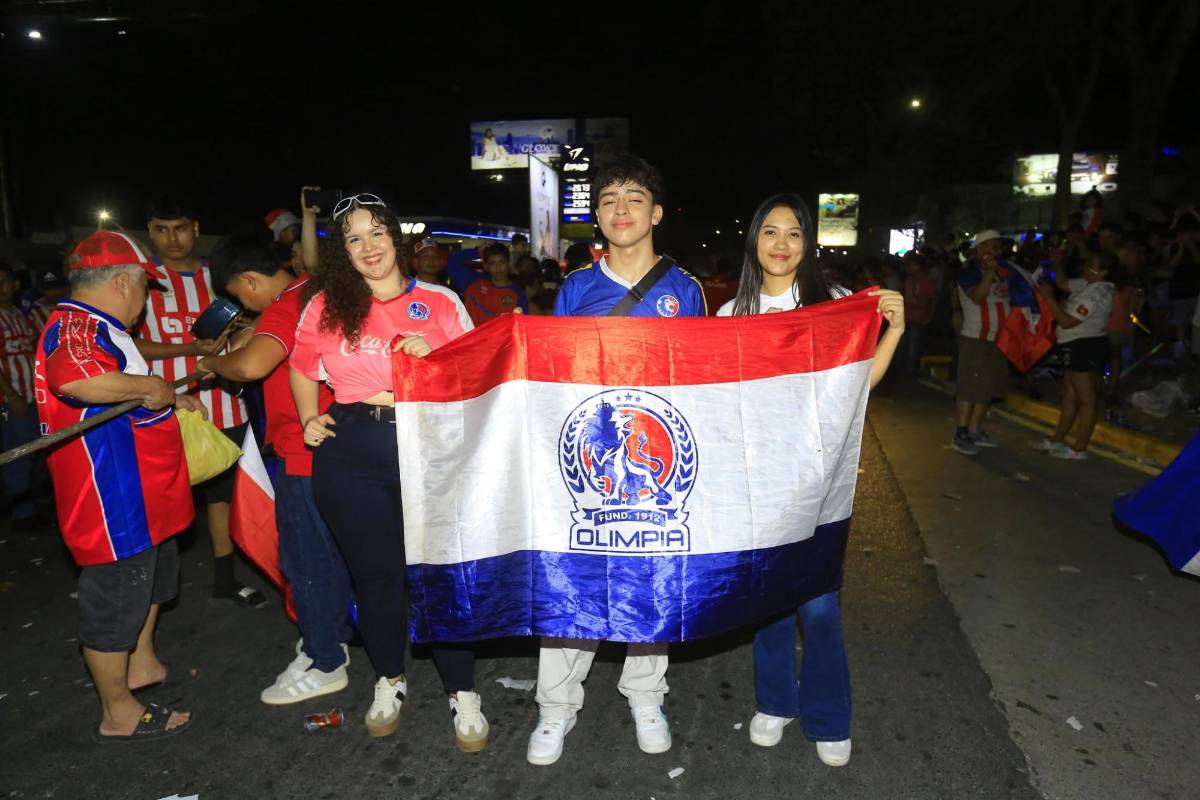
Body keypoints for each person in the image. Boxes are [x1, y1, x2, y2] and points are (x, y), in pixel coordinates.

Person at [288, 193, 488, 750]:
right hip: (352, 447)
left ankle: (462, 690)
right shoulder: (327, 305)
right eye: (353, 239)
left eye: (377, 233)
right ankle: (389, 679)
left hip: (428, 443)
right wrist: (309, 417)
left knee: (440, 572)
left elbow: (479, 377)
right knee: (375, 577)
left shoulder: (443, 301)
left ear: (397, 238)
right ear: (342, 252)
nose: (368, 248)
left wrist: (440, 359)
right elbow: (303, 367)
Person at [528, 154, 706, 767]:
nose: (621, 209)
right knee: (571, 579)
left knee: (650, 579)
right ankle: (555, 707)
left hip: (654, 462)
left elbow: (702, 385)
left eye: (634, 198)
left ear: (656, 212)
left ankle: (646, 695)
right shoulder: (576, 288)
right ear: (597, 218)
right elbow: (549, 378)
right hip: (586, 459)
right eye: (608, 201)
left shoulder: (685, 290)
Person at [718, 192, 904, 768]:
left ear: (808, 243)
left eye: (793, 233)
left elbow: (861, 382)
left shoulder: (834, 305)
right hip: (758, 483)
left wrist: (892, 328)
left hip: (819, 482)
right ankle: (775, 703)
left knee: (819, 606)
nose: (780, 244)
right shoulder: (731, 317)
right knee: (771, 599)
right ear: (754, 240)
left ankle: (828, 716)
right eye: (770, 232)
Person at [35, 230, 201, 742]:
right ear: (125, 282)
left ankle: (141, 665)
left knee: (153, 580)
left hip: (144, 490)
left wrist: (169, 400)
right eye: (146, 289)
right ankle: (118, 711)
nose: (146, 301)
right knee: (116, 596)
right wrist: (151, 387)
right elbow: (76, 380)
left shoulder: (101, 326)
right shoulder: (76, 328)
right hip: (112, 497)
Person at [199, 242, 354, 705]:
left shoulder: (289, 306)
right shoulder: (322, 288)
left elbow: (251, 365)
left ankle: (326, 660)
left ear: (249, 280)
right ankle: (330, 634)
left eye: (241, 295)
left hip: (303, 450)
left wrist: (211, 362)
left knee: (305, 561)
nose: (245, 306)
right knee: (332, 556)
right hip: (341, 442)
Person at [136, 194, 264, 607]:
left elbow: (258, 317)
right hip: (165, 406)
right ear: (150, 232)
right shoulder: (142, 279)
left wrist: (244, 329)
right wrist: (190, 350)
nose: (172, 239)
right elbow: (128, 343)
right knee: (161, 499)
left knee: (224, 495)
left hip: (227, 404)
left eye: (180, 229)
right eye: (161, 229)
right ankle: (149, 590)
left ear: (195, 228)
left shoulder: (218, 275)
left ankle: (225, 578)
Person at [1033, 251, 1118, 459]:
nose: (1086, 267)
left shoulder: (1098, 292)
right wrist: (1057, 263)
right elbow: (1063, 283)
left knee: (1086, 398)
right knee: (1069, 395)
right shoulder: (1088, 284)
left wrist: (1050, 299)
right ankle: (1058, 438)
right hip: (1073, 345)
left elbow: (1067, 321)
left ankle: (1079, 448)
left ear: (1103, 271)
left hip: (1085, 346)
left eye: (1092, 264)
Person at [951, 229, 1014, 456]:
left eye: (997, 246)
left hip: (998, 339)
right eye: (990, 246)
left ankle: (975, 430)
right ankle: (961, 432)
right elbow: (977, 298)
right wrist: (988, 273)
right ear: (978, 249)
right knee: (970, 388)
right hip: (976, 338)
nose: (995, 250)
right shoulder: (969, 271)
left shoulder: (1004, 271)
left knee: (986, 388)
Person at [0, 262, 41, 530]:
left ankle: (30, 504)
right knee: (16, 454)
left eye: (7, 281)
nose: (4, 287)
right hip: (11, 400)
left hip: (30, 395)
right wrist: (11, 395)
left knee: (31, 452)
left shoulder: (17, 313)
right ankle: (22, 514)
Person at [446, 242, 529, 325]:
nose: (498, 267)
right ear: (486, 266)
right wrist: (476, 252)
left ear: (508, 264)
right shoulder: (473, 282)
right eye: (493, 263)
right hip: (471, 337)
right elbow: (451, 263)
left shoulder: (518, 293)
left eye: (502, 262)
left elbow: (521, 326)